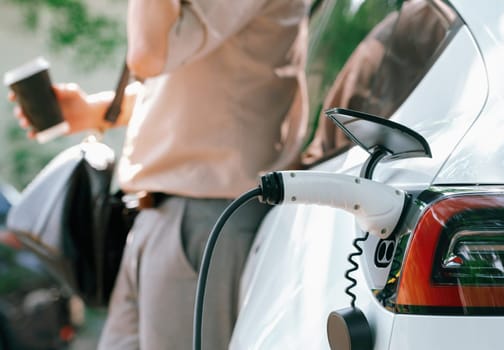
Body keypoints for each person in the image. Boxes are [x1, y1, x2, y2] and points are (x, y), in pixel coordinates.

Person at [9, 1, 309, 349]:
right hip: (163, 216)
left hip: (203, 215)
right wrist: (96, 111)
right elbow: (195, 83)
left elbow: (149, 53)